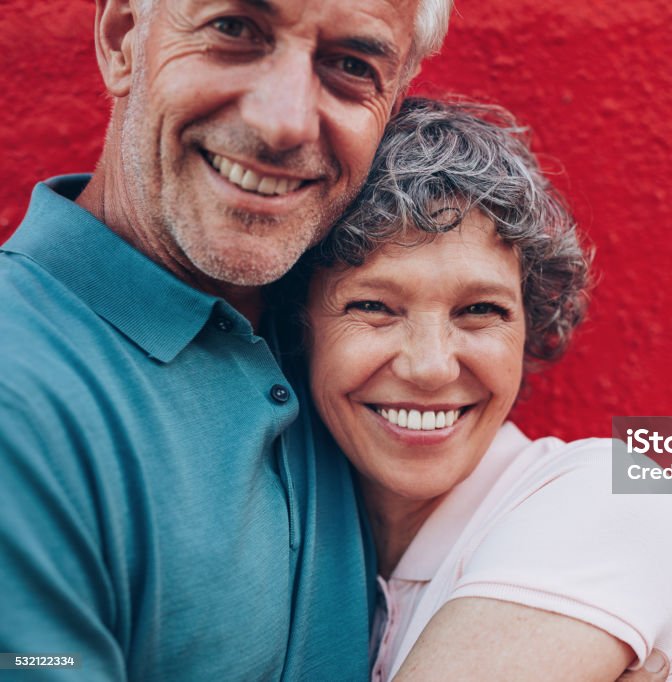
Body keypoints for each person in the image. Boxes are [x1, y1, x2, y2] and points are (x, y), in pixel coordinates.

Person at [0, 0, 452, 678]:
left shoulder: (338, 342)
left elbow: (612, 487)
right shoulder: (18, 399)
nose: (284, 122)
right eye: (234, 30)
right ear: (123, 38)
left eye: (352, 65)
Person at [301, 97, 672, 681]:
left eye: (479, 310)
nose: (431, 367)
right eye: (373, 306)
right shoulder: (303, 552)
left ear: (530, 325)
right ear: (299, 330)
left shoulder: (608, 500)